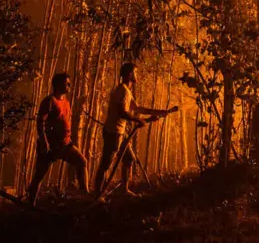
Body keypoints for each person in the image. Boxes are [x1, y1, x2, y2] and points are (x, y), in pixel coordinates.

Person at [93, 62, 176, 195]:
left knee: (129, 158)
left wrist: (160, 112)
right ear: (130, 74)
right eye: (135, 72)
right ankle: (97, 193)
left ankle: (124, 190)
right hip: (113, 132)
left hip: (120, 132)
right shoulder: (122, 91)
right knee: (106, 164)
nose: (137, 75)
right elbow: (123, 112)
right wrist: (139, 119)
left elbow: (138, 109)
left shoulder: (126, 91)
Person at [27, 72, 88, 205]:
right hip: (50, 146)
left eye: (69, 83)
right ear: (57, 84)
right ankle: (30, 203)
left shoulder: (66, 102)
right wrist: (44, 142)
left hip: (65, 144)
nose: (69, 85)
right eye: (66, 83)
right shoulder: (49, 101)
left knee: (81, 161)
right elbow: (40, 122)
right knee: (39, 175)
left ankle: (85, 194)